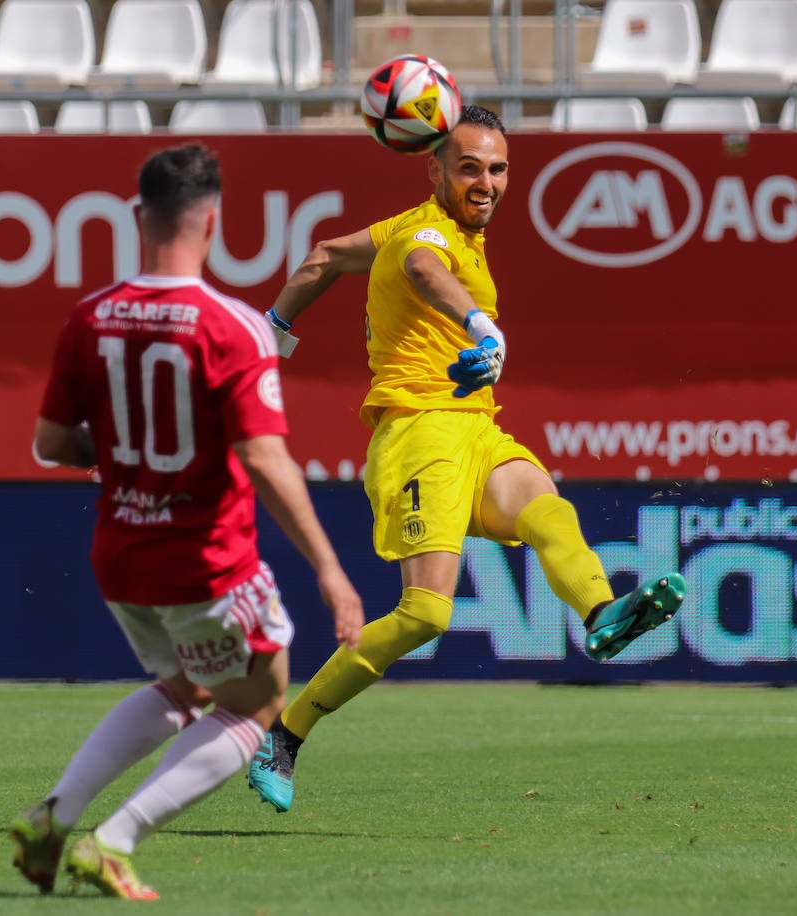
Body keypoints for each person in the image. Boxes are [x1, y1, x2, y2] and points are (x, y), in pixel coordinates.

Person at [246, 105, 686, 814]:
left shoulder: (406, 229)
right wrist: (481, 323)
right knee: (425, 616)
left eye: (498, 168)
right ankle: (286, 736)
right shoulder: (425, 232)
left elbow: (322, 255)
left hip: (477, 429)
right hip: (419, 433)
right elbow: (424, 272)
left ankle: (602, 612)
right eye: (470, 167)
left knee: (546, 505)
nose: (486, 182)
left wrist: (275, 328)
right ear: (436, 170)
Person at [8, 143, 364, 899]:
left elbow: (50, 445)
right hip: (204, 560)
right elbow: (266, 459)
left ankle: (51, 816)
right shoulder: (232, 325)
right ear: (214, 225)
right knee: (257, 704)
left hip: (120, 553)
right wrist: (331, 572)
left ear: (139, 218)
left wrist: (124, 452)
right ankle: (112, 840)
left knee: (181, 688)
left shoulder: (90, 317)